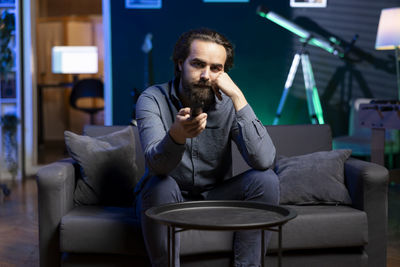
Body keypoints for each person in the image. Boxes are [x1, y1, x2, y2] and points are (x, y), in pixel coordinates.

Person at [134, 28, 279, 267]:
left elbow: (264, 161)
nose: (206, 75)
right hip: (167, 196)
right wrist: (176, 136)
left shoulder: (229, 104)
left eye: (216, 68)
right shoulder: (152, 99)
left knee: (266, 180)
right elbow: (157, 166)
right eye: (198, 64)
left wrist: (238, 97)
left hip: (216, 197)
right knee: (160, 183)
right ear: (180, 64)